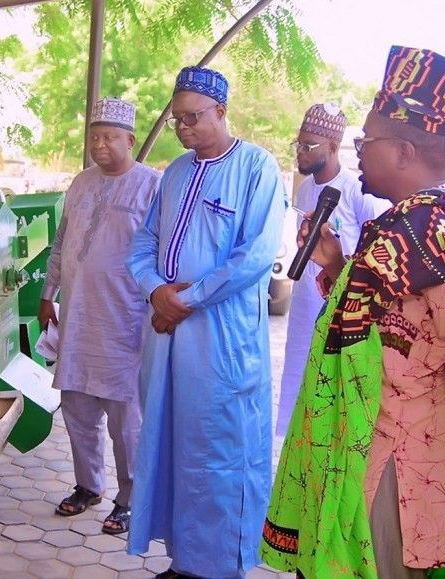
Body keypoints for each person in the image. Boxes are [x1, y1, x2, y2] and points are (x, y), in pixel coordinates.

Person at [262, 46, 445, 578]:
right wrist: (340, 266)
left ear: (404, 151)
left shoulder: (426, 229)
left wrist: (416, 387)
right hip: (371, 448)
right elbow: (394, 319)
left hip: (395, 467)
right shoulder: (409, 224)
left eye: (368, 141)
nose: (359, 150)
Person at [126, 66, 285, 579]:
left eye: (194, 117)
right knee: (174, 445)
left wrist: (185, 299)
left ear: (222, 111)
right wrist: (154, 289)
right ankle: (185, 558)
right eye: (177, 120)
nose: (185, 128)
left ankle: (219, 567)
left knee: (220, 452)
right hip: (168, 335)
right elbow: (144, 241)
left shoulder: (258, 167)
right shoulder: (173, 172)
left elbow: (254, 255)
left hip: (221, 339)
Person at [37, 97, 160, 535]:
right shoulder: (80, 183)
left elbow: (163, 255)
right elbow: (62, 241)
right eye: (94, 137)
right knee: (76, 408)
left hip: (125, 322)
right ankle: (89, 486)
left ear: (130, 139)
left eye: (109, 137)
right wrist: (48, 292)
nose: (100, 145)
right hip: (77, 318)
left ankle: (129, 498)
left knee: (126, 420)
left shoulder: (151, 186)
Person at [276, 103, 390, 436]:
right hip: (303, 306)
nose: (300, 151)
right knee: (300, 384)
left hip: (343, 305)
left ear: (332, 146)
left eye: (307, 145)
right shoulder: (306, 188)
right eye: (298, 144)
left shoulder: (357, 190)